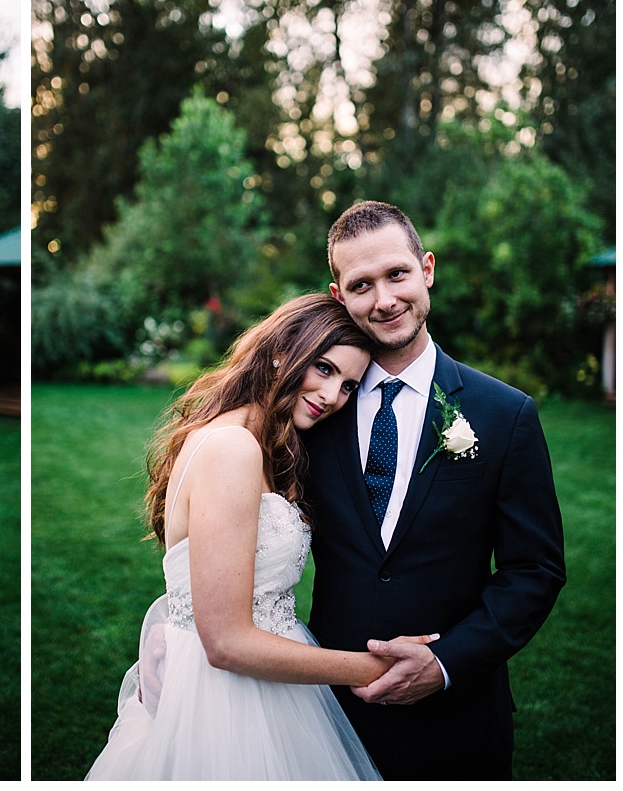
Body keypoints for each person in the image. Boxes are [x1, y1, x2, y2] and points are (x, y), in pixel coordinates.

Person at [86, 293, 434, 780]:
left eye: (350, 385)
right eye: (325, 369)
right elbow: (226, 642)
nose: (333, 396)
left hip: (260, 684)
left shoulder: (259, 445)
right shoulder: (233, 449)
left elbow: (198, 582)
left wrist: (169, 621)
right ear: (280, 354)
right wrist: (374, 669)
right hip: (225, 699)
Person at [303, 200, 566, 780]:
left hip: (459, 721)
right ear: (338, 295)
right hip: (326, 714)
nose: (385, 299)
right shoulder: (313, 409)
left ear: (426, 268)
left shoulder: (506, 415)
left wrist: (446, 662)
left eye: (397, 274)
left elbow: (535, 569)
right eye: (361, 284)